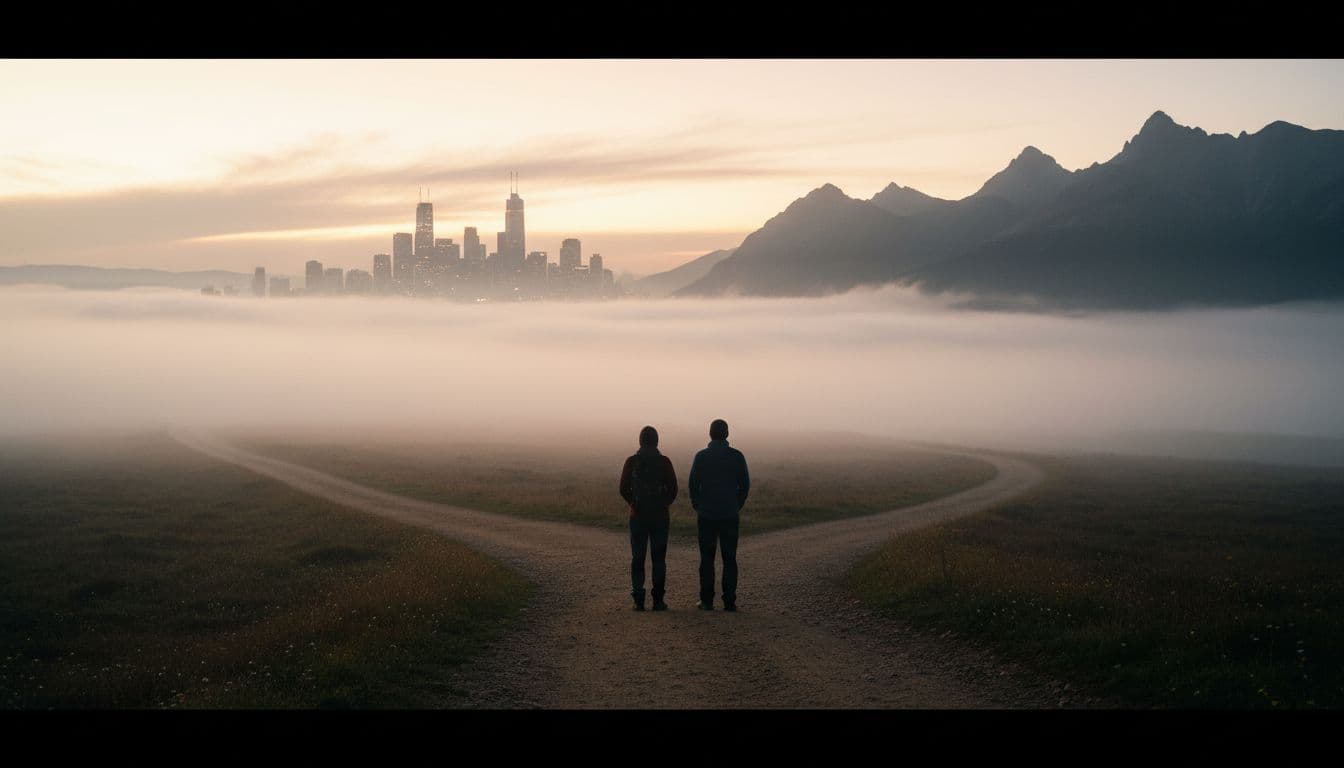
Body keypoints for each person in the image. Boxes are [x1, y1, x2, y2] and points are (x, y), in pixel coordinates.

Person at [688, 419, 750, 612]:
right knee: (729, 558)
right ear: (727, 434)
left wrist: (698, 505)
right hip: (730, 514)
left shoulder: (701, 456)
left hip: (707, 514)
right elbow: (745, 485)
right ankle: (729, 601)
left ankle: (706, 601)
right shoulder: (737, 456)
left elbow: (692, 485)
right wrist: (736, 505)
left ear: (710, 434)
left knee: (707, 558)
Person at [619, 425, 678, 611]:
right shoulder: (665, 462)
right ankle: (658, 601)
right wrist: (663, 504)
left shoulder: (631, 461)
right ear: (657, 441)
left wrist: (633, 504)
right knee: (659, 559)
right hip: (660, 517)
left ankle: (638, 600)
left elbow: (623, 488)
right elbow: (674, 489)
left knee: (638, 557)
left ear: (640, 441)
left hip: (638, 516)